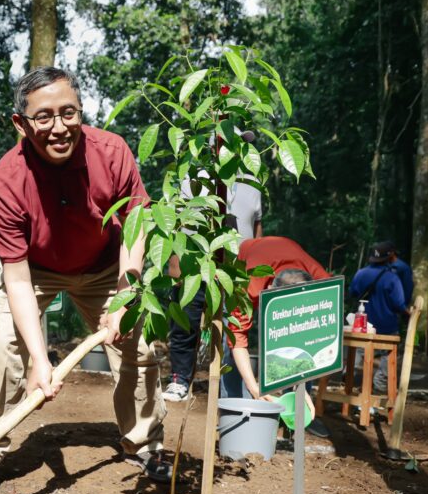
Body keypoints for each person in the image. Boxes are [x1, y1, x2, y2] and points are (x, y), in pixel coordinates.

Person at [0, 67, 168, 494]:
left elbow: (137, 227)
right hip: (35, 270)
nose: (58, 127)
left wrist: (128, 295)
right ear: (21, 123)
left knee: (138, 346)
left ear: (80, 111)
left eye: (68, 112)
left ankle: (144, 444)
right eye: (44, 116)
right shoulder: (6, 181)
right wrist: (38, 358)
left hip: (109, 265)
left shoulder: (112, 152)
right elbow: (15, 276)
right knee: (2, 349)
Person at [222, 236, 333, 438]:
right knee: (229, 348)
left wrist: (301, 387)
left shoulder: (322, 283)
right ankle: (238, 411)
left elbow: (310, 340)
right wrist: (253, 385)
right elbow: (237, 337)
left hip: (285, 251)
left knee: (304, 346)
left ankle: (296, 411)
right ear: (270, 291)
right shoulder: (247, 285)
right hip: (248, 255)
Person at [164, 178, 263, 402]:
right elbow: (176, 226)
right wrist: (175, 265)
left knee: (234, 332)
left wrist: (254, 267)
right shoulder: (191, 179)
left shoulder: (253, 183)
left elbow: (257, 229)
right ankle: (179, 379)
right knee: (184, 325)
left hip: (235, 270)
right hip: (194, 265)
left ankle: (233, 393)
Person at [349, 242, 406, 392]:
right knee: (388, 357)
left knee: (357, 352)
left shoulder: (360, 273)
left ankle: (348, 377)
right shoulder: (392, 278)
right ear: (388, 258)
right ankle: (379, 382)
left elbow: (352, 293)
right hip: (386, 328)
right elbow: (399, 305)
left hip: (363, 326)